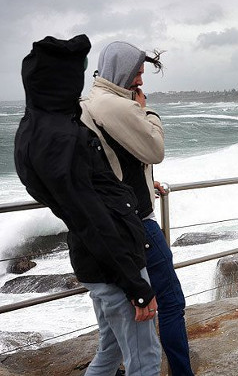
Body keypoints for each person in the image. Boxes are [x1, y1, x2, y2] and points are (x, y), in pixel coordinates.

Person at [13, 35, 161, 374]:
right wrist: (135, 286)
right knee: (145, 359)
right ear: (63, 81)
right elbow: (91, 218)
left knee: (109, 351)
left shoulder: (36, 128)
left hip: (95, 261)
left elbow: (84, 203)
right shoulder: (59, 138)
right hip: (114, 264)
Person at [80, 41, 194, 375]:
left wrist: (146, 184)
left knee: (111, 340)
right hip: (137, 224)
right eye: (138, 73)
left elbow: (116, 158)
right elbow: (154, 148)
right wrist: (148, 112)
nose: (141, 81)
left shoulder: (87, 103)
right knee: (171, 303)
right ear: (123, 71)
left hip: (107, 223)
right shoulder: (120, 106)